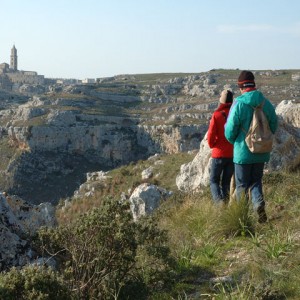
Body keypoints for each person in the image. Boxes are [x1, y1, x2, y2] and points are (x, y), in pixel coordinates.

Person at [225, 70, 278, 223]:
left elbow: (230, 131)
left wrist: (235, 141)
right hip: (261, 151)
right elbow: (274, 125)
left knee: (241, 185)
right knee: (256, 181)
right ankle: (259, 205)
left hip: (243, 152)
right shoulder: (265, 103)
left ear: (241, 87)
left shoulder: (239, 104)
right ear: (253, 84)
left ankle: (241, 218)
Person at [207, 89, 234, 204]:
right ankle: (226, 204)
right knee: (226, 182)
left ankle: (219, 203)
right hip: (232, 154)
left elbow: (211, 135)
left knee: (214, 180)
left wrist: (213, 145)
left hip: (219, 154)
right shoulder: (235, 114)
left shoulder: (217, 115)